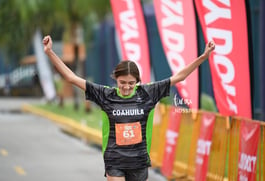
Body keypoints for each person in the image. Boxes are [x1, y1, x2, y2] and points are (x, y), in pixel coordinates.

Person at [43, 35, 215, 181]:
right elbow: (71, 77)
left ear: (137, 82)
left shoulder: (148, 92)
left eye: (131, 83)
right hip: (115, 160)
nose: (126, 87)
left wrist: (203, 56)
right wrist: (50, 52)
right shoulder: (106, 94)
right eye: (122, 83)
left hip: (139, 162)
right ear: (116, 80)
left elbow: (180, 76)